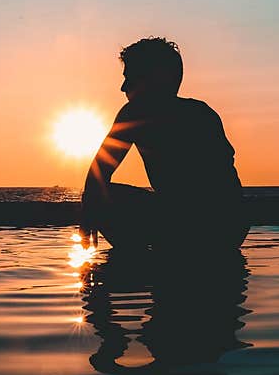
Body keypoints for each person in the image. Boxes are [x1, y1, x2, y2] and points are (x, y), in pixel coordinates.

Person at [81, 37, 246, 250]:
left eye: (129, 78)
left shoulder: (135, 113)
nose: (123, 87)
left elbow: (97, 175)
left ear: (151, 79)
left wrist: (88, 214)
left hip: (197, 226)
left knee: (102, 195)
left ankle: (136, 262)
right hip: (231, 230)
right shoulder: (203, 113)